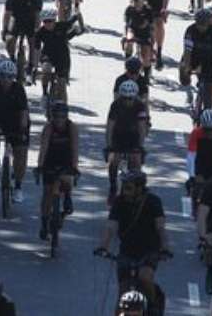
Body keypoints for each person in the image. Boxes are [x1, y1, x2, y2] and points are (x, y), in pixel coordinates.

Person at [95, 171, 171, 310]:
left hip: (149, 250)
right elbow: (110, 226)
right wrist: (103, 246)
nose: (124, 191)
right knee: (123, 292)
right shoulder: (119, 202)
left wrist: (165, 248)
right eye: (123, 187)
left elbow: (161, 227)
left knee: (145, 277)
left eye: (128, 188)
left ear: (139, 188)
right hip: (127, 251)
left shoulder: (153, 201)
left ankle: (154, 307)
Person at [0, 61, 31, 203]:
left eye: (10, 77)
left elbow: (24, 112)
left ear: (14, 77)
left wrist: (23, 130)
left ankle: (18, 186)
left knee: (21, 154)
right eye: (3, 76)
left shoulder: (19, 89)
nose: (6, 80)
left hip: (17, 123)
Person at [37, 100, 80, 239]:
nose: (59, 120)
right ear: (52, 116)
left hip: (65, 159)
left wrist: (74, 167)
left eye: (62, 117)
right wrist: (40, 166)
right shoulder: (48, 128)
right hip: (50, 160)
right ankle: (44, 223)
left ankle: (67, 197)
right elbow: (43, 148)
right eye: (56, 116)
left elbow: (74, 148)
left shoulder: (71, 127)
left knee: (67, 179)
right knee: (47, 193)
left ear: (66, 116)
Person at [107, 80, 150, 201]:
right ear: (121, 97)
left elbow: (142, 127)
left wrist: (140, 146)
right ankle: (112, 186)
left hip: (133, 136)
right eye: (125, 98)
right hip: (118, 135)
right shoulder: (115, 105)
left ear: (135, 96)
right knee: (114, 160)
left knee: (135, 161)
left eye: (130, 98)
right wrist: (109, 145)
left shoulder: (140, 106)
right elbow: (110, 126)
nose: (127, 101)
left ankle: (137, 189)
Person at [34, 7, 83, 102]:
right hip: (48, 55)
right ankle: (44, 93)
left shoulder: (62, 26)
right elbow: (37, 50)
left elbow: (77, 16)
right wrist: (35, 66)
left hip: (63, 57)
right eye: (45, 22)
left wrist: (81, 26)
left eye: (50, 21)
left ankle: (64, 110)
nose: (48, 24)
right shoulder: (40, 32)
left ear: (54, 20)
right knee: (46, 69)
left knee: (62, 85)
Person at [181, 8, 212, 110]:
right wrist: (186, 68)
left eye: (204, 24)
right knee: (183, 70)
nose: (201, 27)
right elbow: (187, 51)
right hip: (194, 56)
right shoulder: (190, 31)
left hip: (210, 59)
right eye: (199, 24)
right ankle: (189, 95)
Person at [3, 0, 43, 76]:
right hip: (16, 19)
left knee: (33, 42)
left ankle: (31, 65)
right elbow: (7, 14)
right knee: (10, 40)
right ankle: (12, 59)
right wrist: (5, 29)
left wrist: (37, 30)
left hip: (31, 20)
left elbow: (38, 16)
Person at [124, 0, 157, 72]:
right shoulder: (129, 9)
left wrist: (152, 47)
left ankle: (146, 75)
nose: (136, 2)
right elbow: (127, 26)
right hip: (133, 30)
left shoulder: (148, 11)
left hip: (145, 34)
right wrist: (125, 37)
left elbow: (152, 29)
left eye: (138, 0)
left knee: (145, 56)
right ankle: (128, 64)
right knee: (129, 41)